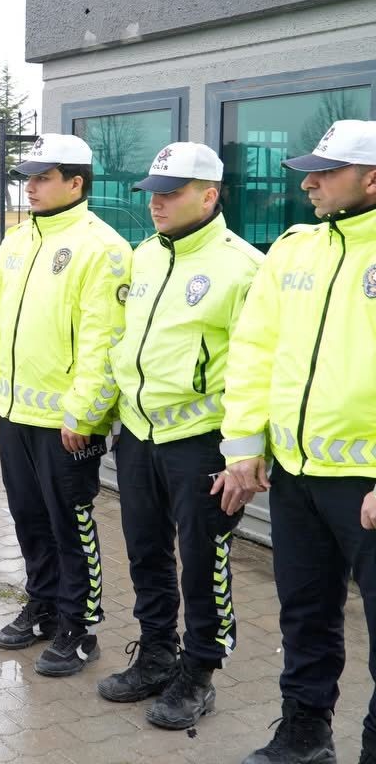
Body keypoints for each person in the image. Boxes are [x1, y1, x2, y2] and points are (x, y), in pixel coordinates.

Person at [219, 119, 376, 764]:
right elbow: (255, 350)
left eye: (325, 171)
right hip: (295, 478)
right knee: (305, 615)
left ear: (371, 177)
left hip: (366, 487)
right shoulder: (293, 250)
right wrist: (242, 448)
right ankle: (304, 732)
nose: (308, 181)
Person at [98, 142, 261, 730]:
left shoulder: (242, 267)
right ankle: (157, 651)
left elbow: (255, 366)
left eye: (171, 192)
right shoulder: (143, 258)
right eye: (153, 193)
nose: (157, 203)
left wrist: (246, 453)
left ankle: (199, 671)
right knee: (144, 551)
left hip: (201, 442)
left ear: (209, 195)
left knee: (202, 561)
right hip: (139, 435)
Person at [0, 133, 131, 678]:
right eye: (28, 178)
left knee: (72, 523)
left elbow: (102, 339)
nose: (31, 187)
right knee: (28, 517)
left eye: (42, 177)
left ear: (75, 183)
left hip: (65, 422)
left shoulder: (102, 247)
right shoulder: (15, 242)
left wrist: (84, 413)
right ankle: (41, 605)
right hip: (14, 412)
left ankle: (79, 626)